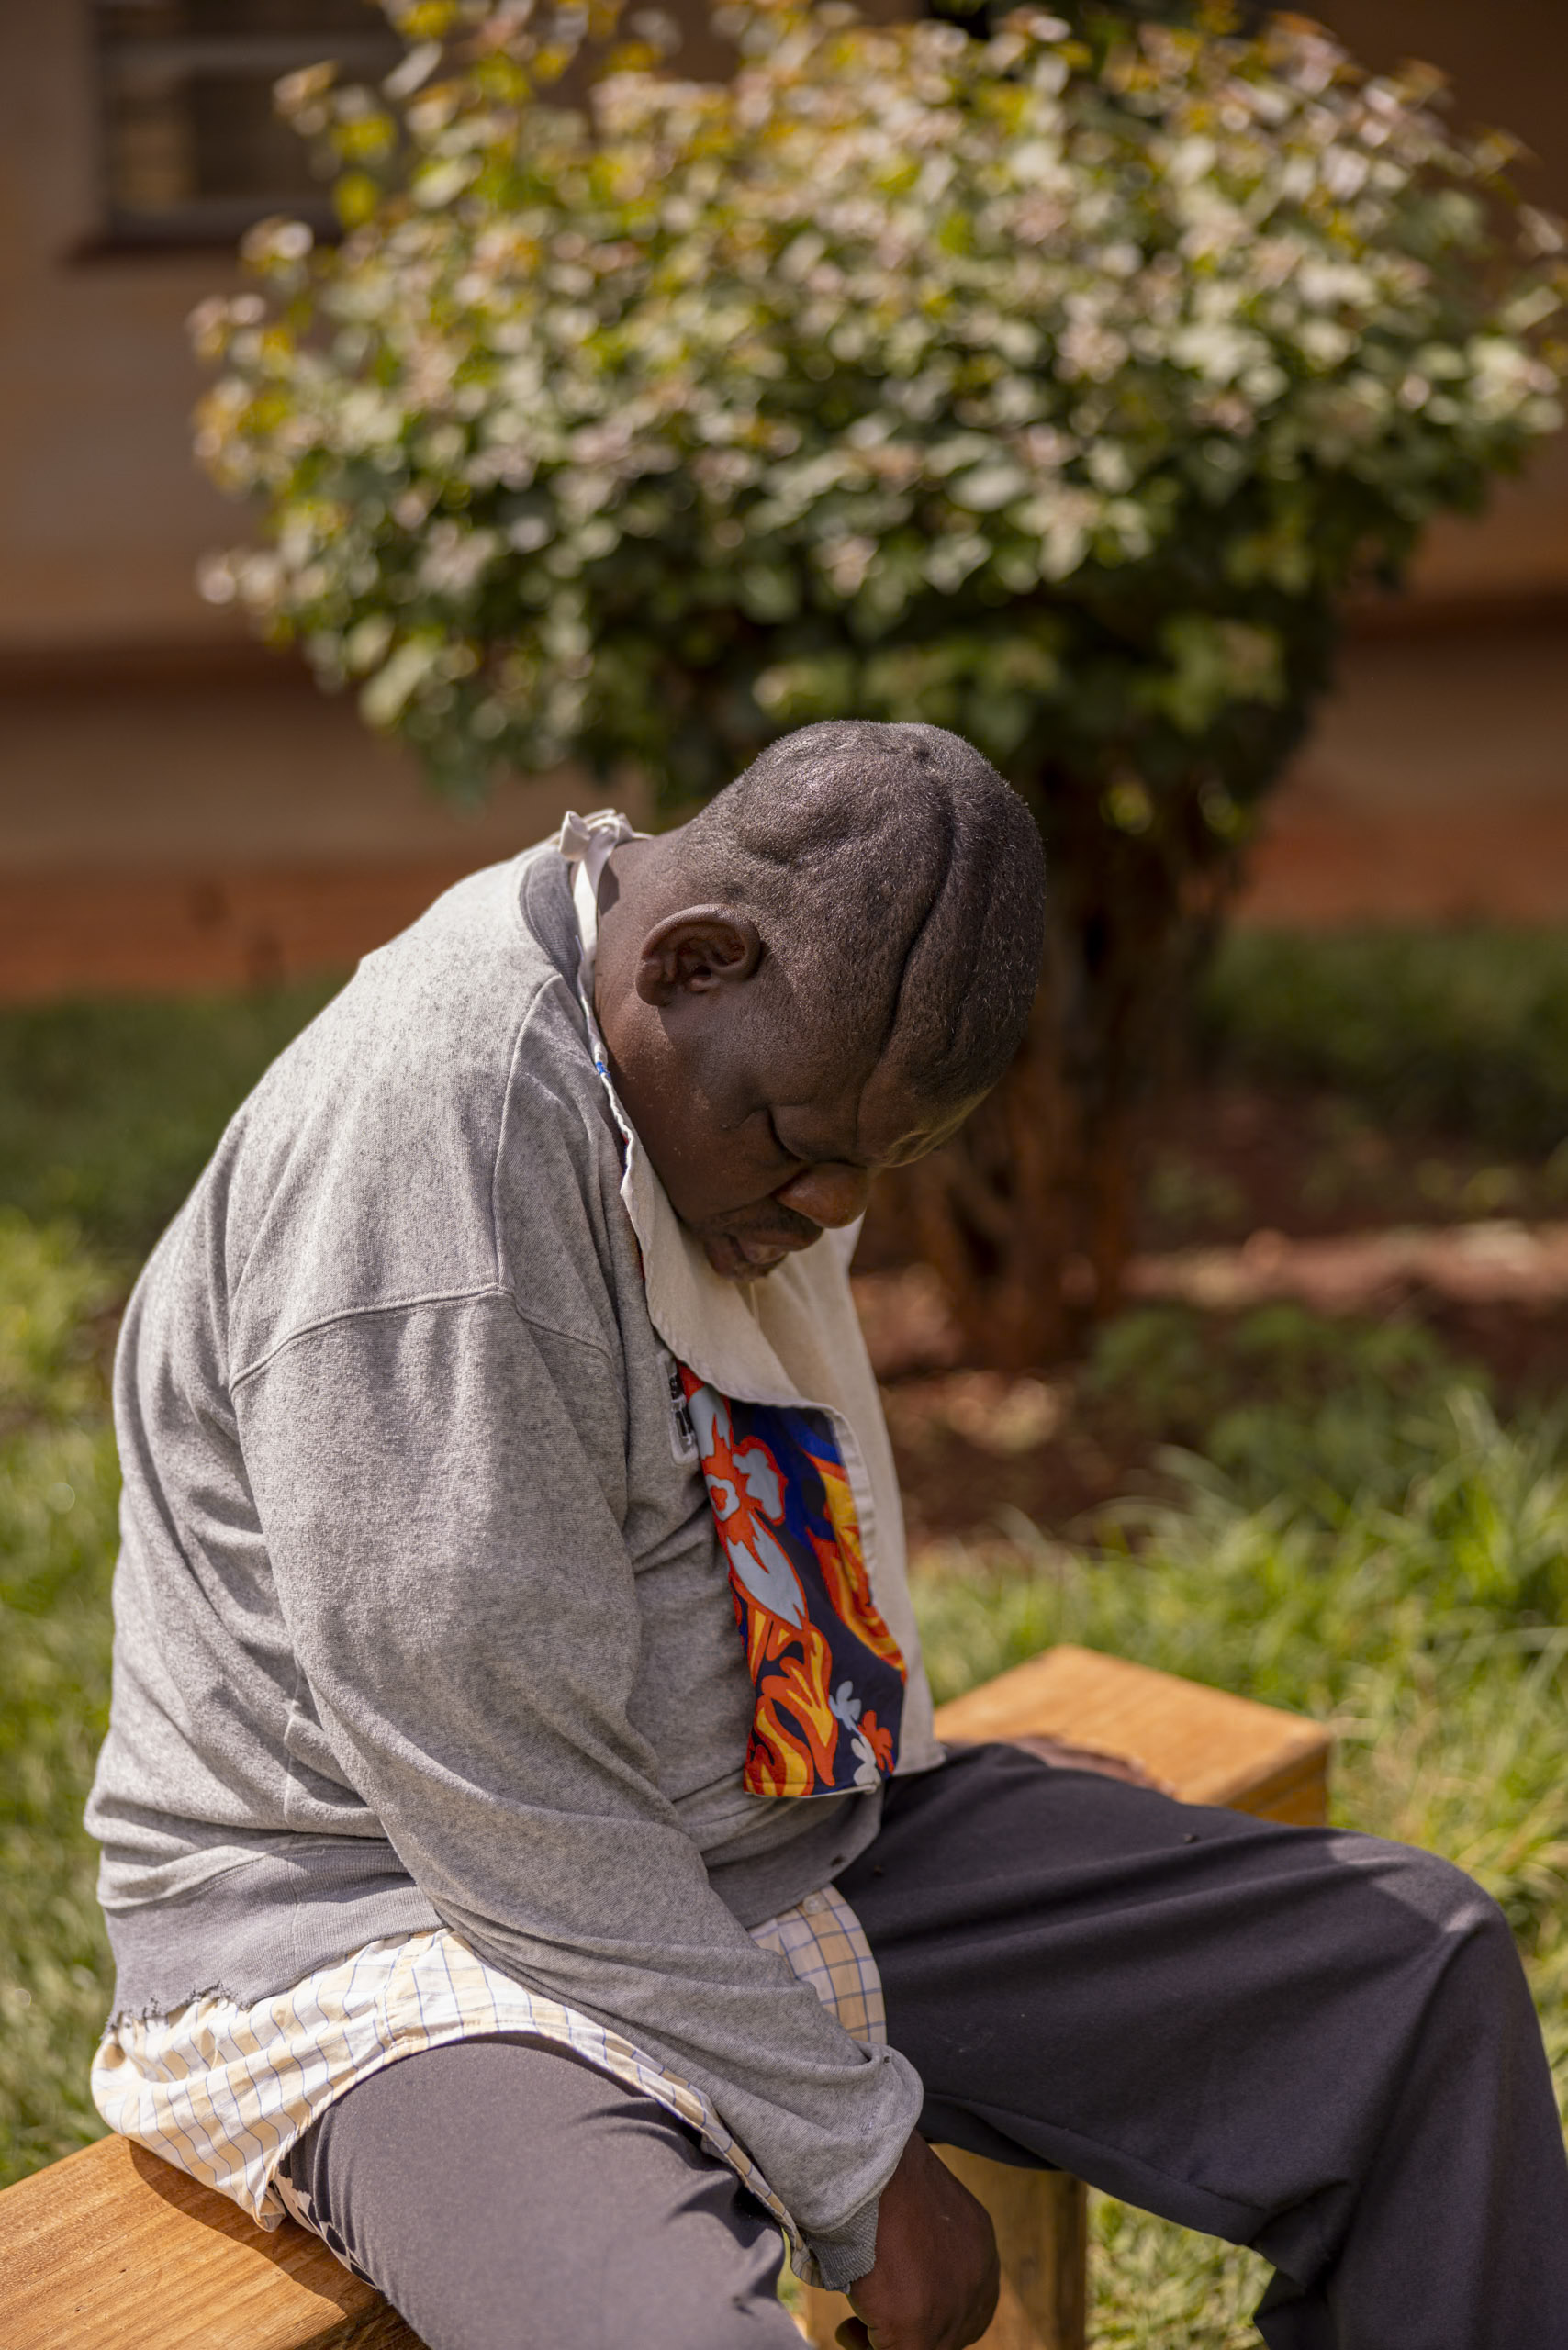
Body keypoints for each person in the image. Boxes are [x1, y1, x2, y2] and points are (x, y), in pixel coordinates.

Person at [86, 720, 1568, 2350]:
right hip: (401, 1926)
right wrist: (864, 2166)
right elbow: (502, 1802)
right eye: (805, 1146)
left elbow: (754, 1509)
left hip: (764, 1839)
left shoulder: (699, 1056)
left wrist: (931, 1782)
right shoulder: (432, 1161)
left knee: (1411, 1978)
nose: (840, 1209)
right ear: (693, 962)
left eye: (885, 1161)